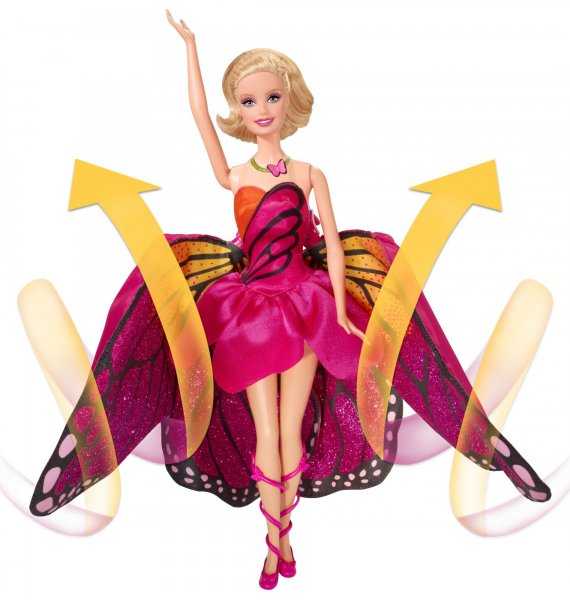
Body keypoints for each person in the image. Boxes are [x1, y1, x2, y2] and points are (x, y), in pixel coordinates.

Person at [28, 10, 551, 591]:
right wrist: (191, 47)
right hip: (250, 313)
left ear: (289, 100)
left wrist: (342, 312)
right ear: (237, 110)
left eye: (271, 97)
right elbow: (197, 115)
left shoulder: (308, 172)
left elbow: (334, 246)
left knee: (289, 429)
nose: (262, 110)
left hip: (305, 308)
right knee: (265, 432)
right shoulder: (234, 175)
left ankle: (285, 538)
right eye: (248, 101)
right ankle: (275, 541)